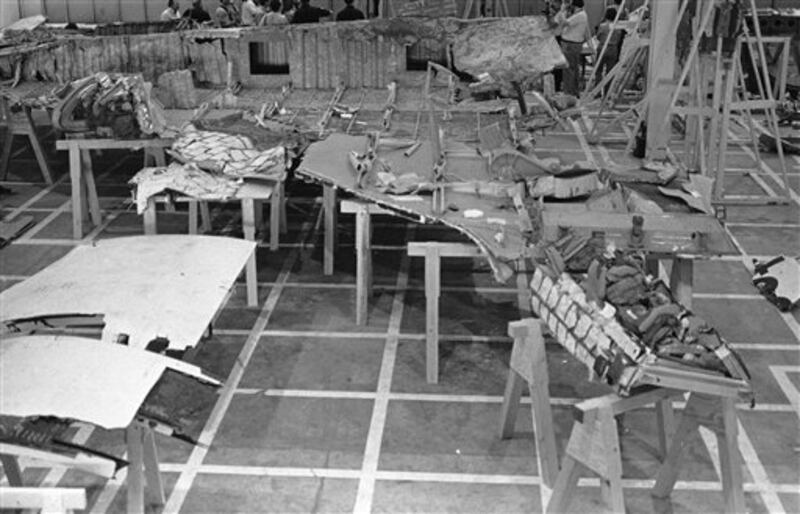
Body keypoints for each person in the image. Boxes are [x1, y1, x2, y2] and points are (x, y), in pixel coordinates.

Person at [555, 0, 589, 96]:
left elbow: (565, 23)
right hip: (573, 45)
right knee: (573, 69)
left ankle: (568, 93)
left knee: (568, 70)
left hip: (570, 45)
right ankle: (574, 92)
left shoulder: (580, 15)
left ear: (574, 6)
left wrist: (562, 11)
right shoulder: (580, 15)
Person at [595, 7, 623, 88]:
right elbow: (618, 39)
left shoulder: (602, 26)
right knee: (610, 72)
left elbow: (598, 36)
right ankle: (607, 91)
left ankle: (597, 92)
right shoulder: (618, 27)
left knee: (598, 70)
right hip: (613, 49)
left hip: (603, 47)